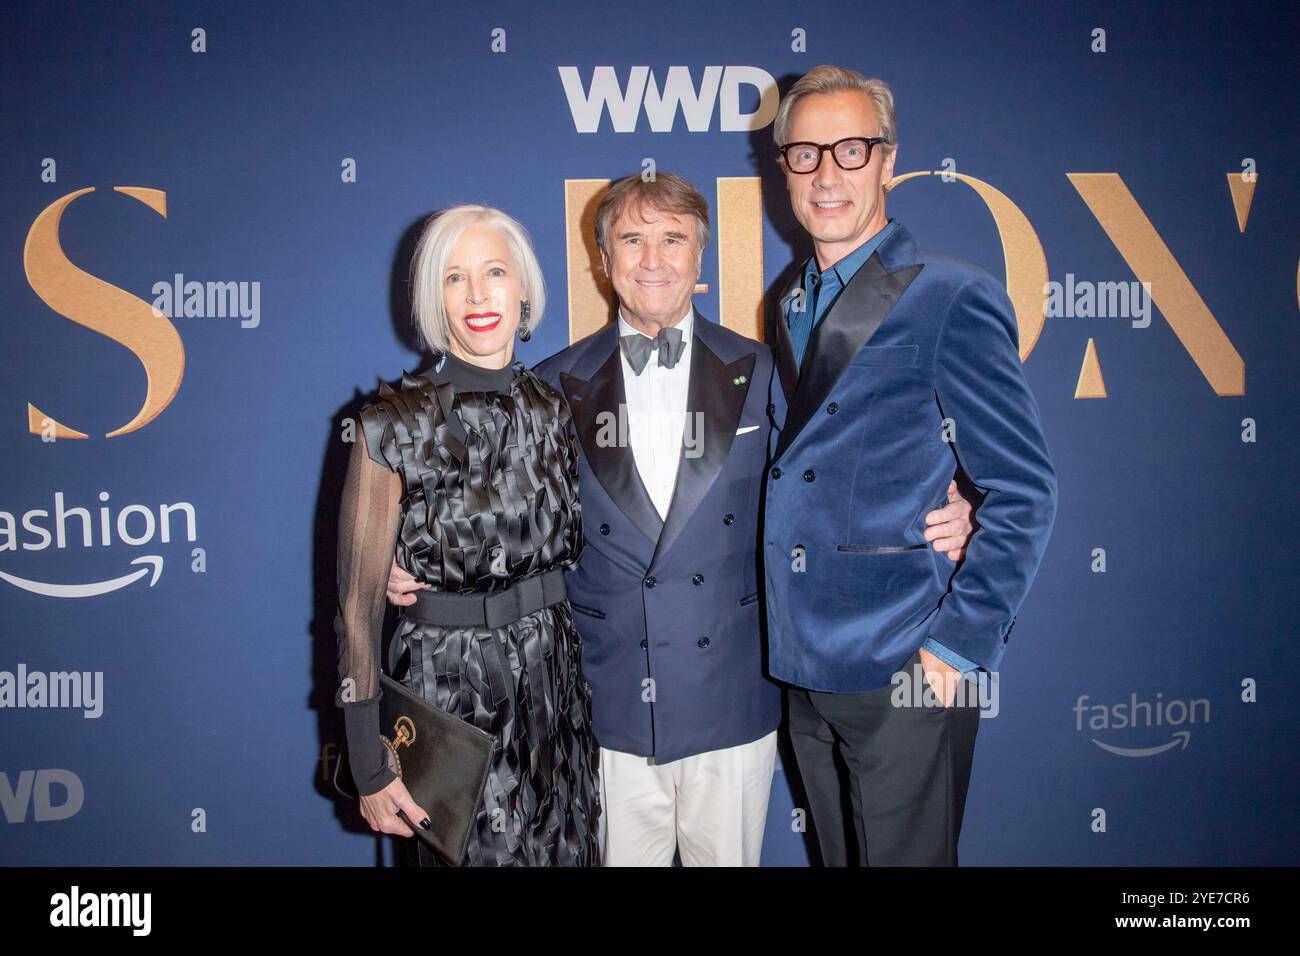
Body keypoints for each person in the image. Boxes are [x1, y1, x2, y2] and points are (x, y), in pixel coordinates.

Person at [391, 174, 974, 866]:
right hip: (605, 711)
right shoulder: (549, 386)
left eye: (674, 240)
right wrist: (416, 566)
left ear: (701, 259)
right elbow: (494, 517)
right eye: (631, 241)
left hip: (732, 703)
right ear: (603, 260)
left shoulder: (766, 370)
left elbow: (839, 477)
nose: (653, 260)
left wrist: (950, 503)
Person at [763, 65, 1058, 866]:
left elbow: (1024, 488)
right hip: (802, 662)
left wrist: (954, 652)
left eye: (851, 150)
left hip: (902, 658)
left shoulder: (949, 295)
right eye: (805, 153)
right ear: (781, 166)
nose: (827, 174)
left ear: (890, 161)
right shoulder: (787, 300)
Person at [333, 204, 600, 866]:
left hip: (555, 689)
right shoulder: (390, 425)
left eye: (495, 272)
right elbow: (354, 609)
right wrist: (369, 761)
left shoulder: (552, 406)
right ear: (433, 297)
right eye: (455, 278)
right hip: (452, 699)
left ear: (524, 290)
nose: (479, 296)